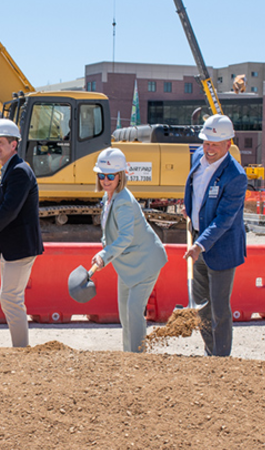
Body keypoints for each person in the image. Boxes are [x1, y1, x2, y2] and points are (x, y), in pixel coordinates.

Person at [90, 147, 167, 353]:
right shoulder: (110, 197)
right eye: (101, 175)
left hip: (145, 263)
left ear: (121, 176)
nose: (105, 180)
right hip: (127, 264)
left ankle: (137, 358)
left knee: (133, 311)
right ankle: (129, 356)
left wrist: (104, 255)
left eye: (110, 176)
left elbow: (126, 237)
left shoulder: (123, 201)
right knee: (125, 313)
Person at [183, 115, 247, 357]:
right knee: (201, 307)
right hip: (198, 240)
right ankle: (210, 351)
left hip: (220, 248)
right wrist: (189, 208)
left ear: (227, 144)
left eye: (214, 145)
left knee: (219, 308)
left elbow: (224, 219)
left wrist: (200, 245)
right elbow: (193, 189)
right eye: (206, 143)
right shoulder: (197, 157)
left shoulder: (236, 176)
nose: (208, 149)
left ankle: (221, 359)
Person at [0, 119, 43, 348]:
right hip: (13, 246)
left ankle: (21, 350)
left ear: (14, 144)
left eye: (1, 143)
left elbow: (11, 210)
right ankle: (20, 348)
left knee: (10, 298)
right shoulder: (10, 169)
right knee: (11, 298)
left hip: (20, 246)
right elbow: (11, 203)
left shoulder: (19, 171)